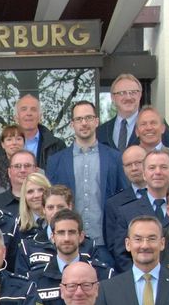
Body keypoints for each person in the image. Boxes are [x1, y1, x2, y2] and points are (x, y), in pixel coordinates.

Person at [46, 100, 128, 249]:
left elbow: (124, 199)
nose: (84, 123)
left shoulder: (114, 158)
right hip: (69, 244)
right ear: (72, 124)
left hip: (105, 243)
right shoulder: (56, 161)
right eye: (79, 119)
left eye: (89, 118)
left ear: (96, 121)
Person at [22, 208, 115, 305]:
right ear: (52, 237)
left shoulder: (104, 274)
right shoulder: (35, 279)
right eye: (61, 233)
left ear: (81, 236)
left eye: (71, 232)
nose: (66, 238)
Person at [106, 151, 169, 270]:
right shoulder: (126, 212)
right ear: (144, 174)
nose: (158, 172)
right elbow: (121, 254)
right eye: (152, 168)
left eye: (163, 167)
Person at [96, 73, 169, 150]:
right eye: (122, 93)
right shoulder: (101, 132)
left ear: (140, 95)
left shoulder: (156, 125)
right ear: (113, 97)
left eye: (133, 92)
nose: (128, 97)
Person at [12, 94, 65, 167]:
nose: (29, 113)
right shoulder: (2, 146)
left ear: (40, 117)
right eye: (24, 109)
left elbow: (63, 176)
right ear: (16, 117)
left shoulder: (57, 146)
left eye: (33, 109)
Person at [0, 148, 38, 219]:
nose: (22, 170)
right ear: (9, 172)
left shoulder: (47, 201)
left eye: (27, 166)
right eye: (17, 166)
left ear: (36, 170)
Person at [0, 124, 26, 199]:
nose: (14, 143)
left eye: (18, 139)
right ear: (2, 144)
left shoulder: (37, 172)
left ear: (24, 143)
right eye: (9, 139)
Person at [16, 171, 51, 239]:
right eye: (30, 191)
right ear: (24, 197)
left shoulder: (61, 222)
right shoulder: (16, 227)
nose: (36, 195)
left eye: (41, 190)